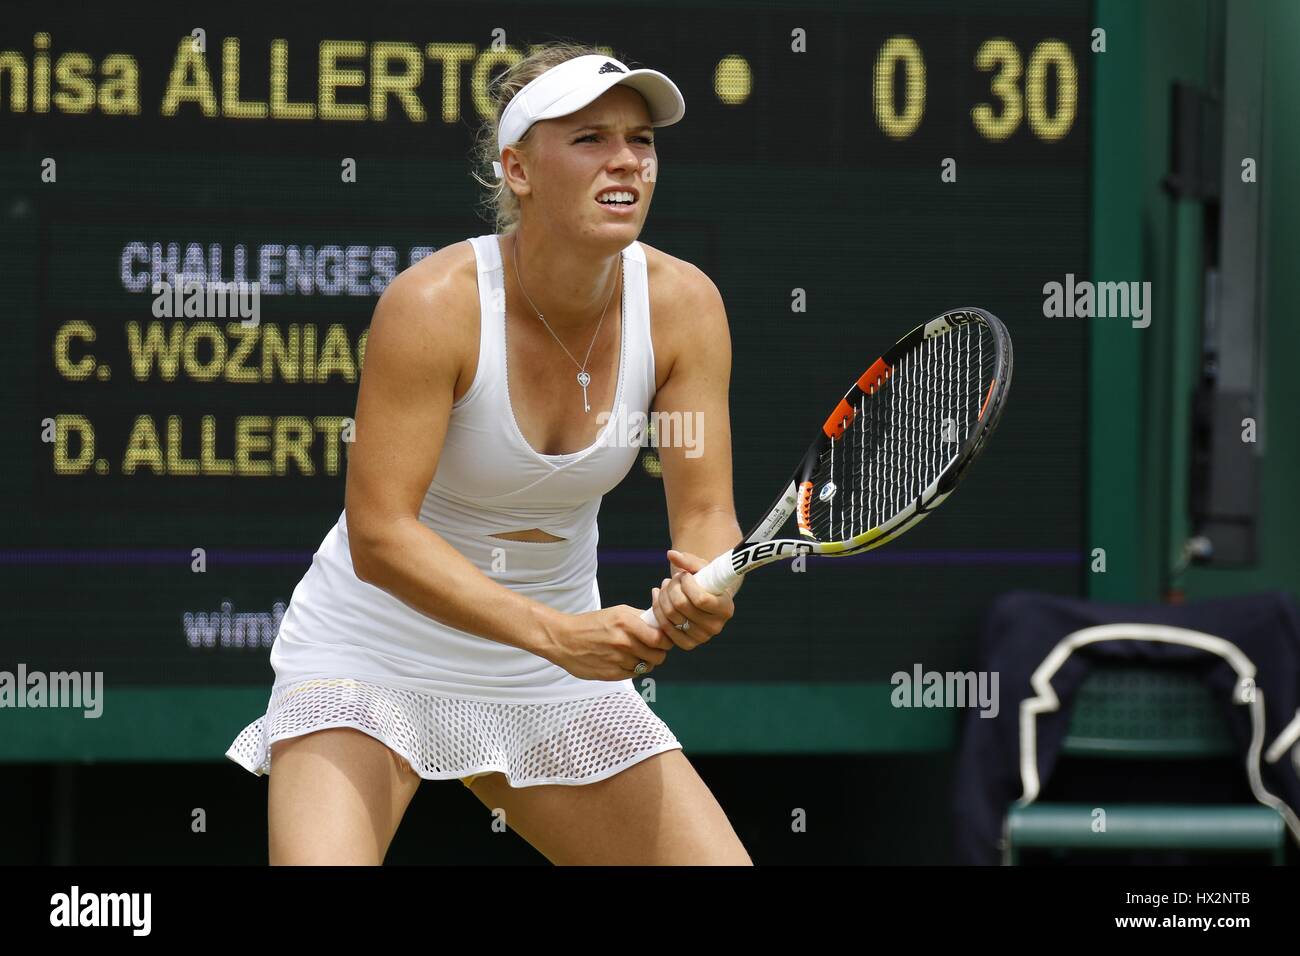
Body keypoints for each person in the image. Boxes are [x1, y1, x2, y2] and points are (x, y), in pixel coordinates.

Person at [226, 41, 752, 865]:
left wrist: (709, 583)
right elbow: (379, 536)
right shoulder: (433, 305)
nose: (626, 160)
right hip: (374, 650)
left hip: (553, 670)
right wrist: (554, 633)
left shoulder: (686, 306)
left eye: (641, 140)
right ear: (518, 168)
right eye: (589, 139)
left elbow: (707, 513)